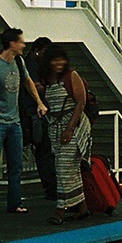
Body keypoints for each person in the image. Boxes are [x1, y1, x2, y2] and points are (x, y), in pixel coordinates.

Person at [0, 28, 46, 216]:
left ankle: (14, 202)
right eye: (20, 41)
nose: (23, 45)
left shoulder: (19, 62)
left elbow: (28, 82)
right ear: (11, 44)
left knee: (16, 165)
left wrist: (39, 102)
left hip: (14, 122)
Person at [37, 45, 92, 225]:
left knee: (63, 168)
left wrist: (69, 128)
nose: (59, 63)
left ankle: (60, 209)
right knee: (70, 169)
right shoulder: (47, 80)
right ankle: (82, 207)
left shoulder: (71, 76)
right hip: (56, 128)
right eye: (55, 59)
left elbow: (80, 102)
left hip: (73, 128)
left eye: (61, 59)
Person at [20, 37, 58, 201]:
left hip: (32, 112)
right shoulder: (30, 65)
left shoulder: (30, 63)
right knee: (44, 150)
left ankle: (50, 186)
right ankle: (51, 187)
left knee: (44, 150)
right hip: (33, 113)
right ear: (37, 50)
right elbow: (34, 86)